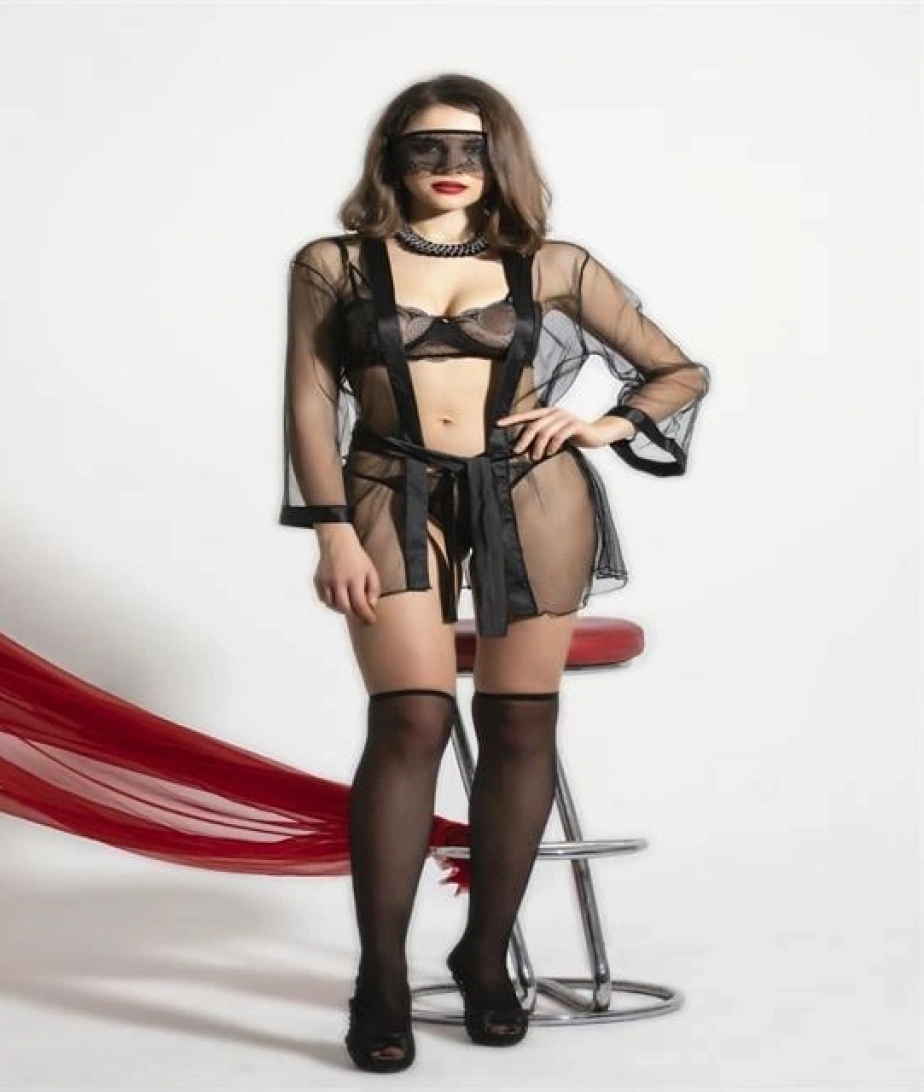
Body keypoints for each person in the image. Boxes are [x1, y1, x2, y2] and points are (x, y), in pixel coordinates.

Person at [279, 74, 712, 1072]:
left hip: (532, 494)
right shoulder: (332, 264)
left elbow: (677, 371)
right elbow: (308, 401)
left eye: (471, 149)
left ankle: (484, 957)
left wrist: (602, 424)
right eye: (426, 148)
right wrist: (331, 531)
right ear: (391, 158)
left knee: (521, 724)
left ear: (500, 158)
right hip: (388, 488)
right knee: (411, 719)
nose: (450, 167)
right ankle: (380, 978)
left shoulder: (553, 263)